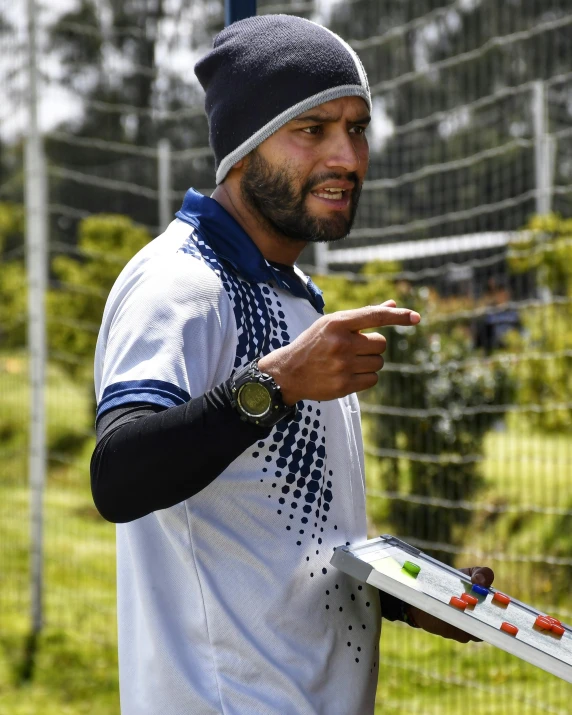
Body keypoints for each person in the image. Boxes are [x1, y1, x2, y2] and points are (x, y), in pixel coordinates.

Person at [91, 15, 494, 715]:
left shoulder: (298, 297)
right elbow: (119, 474)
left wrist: (409, 597)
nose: (348, 156)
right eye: (312, 129)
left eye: (358, 127)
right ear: (244, 149)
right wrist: (275, 384)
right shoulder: (179, 283)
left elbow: (296, 544)